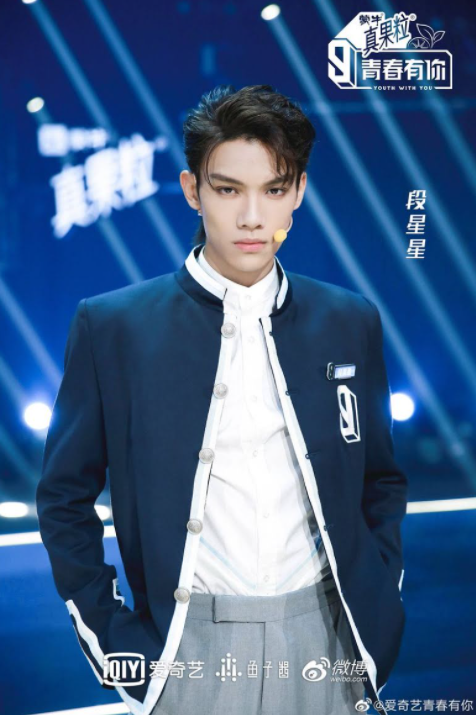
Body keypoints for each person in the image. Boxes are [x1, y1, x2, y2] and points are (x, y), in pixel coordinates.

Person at [36, 84, 408, 715]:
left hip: (329, 639)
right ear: (193, 191)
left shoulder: (350, 320)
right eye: (229, 189)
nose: (253, 217)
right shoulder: (114, 326)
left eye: (274, 189)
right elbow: (63, 498)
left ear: (299, 192)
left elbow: (380, 480)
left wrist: (381, 603)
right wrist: (115, 641)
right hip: (186, 649)